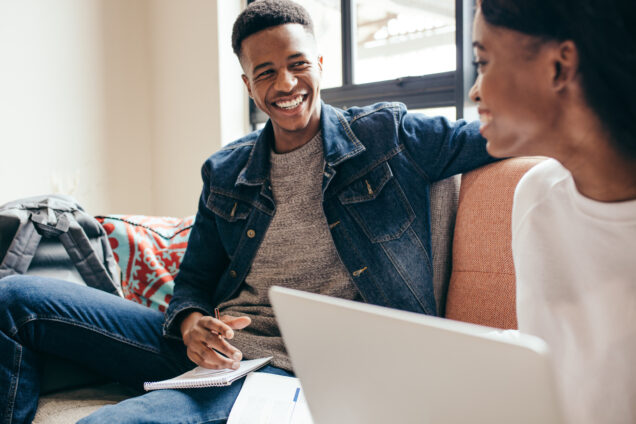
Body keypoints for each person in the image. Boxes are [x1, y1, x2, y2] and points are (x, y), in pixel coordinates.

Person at [0, 1, 493, 423]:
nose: (286, 83)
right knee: (13, 297)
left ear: (320, 63)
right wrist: (191, 323)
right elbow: (193, 282)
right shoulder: (226, 171)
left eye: (298, 64)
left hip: (282, 370)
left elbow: (494, 136)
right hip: (216, 348)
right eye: (266, 72)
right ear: (248, 85)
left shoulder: (388, 136)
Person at [469, 1, 636, 423]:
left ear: (559, 66)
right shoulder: (536, 197)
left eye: (483, 62)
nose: (475, 90)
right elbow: (553, 356)